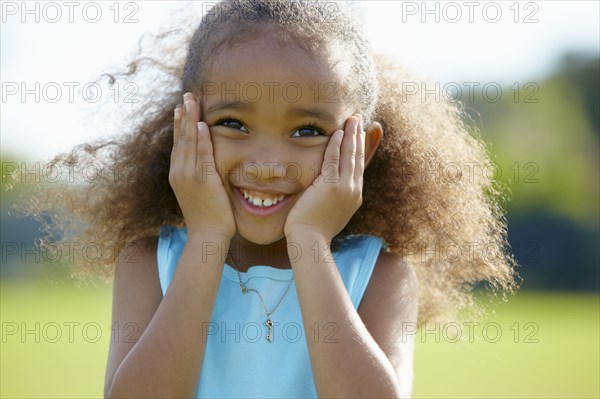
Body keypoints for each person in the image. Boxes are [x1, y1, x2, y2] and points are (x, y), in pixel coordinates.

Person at [20, 0, 518, 397]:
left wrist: (309, 241)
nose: (266, 163)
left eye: (307, 130)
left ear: (360, 150)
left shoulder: (381, 275)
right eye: (233, 124)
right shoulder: (150, 263)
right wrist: (209, 237)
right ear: (186, 129)